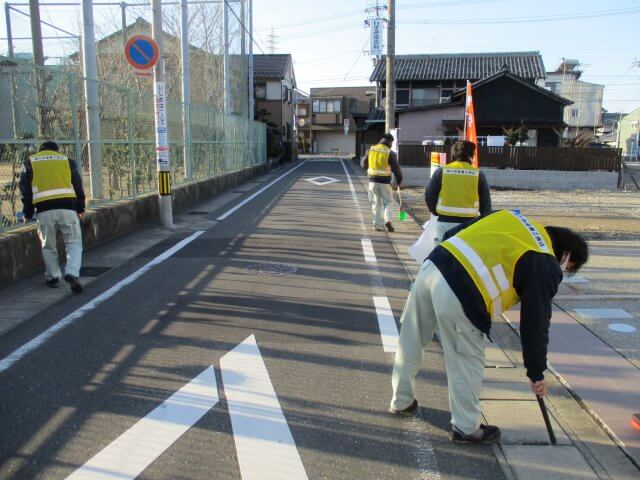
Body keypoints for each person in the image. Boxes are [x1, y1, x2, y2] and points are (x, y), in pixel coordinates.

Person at [389, 209, 588, 444]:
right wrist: (536, 372)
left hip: (434, 265)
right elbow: (535, 322)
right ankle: (466, 427)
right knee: (466, 360)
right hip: (460, 292)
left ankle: (401, 401)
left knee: (412, 338)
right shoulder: (545, 262)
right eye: (570, 266)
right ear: (565, 255)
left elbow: (454, 232)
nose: (565, 270)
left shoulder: (513, 218)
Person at [20, 141, 86, 293]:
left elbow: (25, 190)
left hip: (44, 210)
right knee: (74, 242)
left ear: (41, 150)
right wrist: (80, 207)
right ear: (57, 150)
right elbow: (77, 184)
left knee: (48, 245)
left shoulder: (30, 161)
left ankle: (53, 277)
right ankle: (72, 272)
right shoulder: (66, 160)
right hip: (67, 208)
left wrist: (27, 212)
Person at [426, 140, 491, 244]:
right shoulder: (478, 174)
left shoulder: (442, 171)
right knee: (464, 257)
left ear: (453, 154)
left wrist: (436, 212)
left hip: (444, 221)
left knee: (442, 255)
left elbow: (429, 196)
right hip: (469, 225)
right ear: (471, 155)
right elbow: (486, 205)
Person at [361, 133, 403, 232]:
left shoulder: (371, 150)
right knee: (388, 202)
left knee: (375, 203)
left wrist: (370, 171)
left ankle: (377, 225)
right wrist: (399, 181)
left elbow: (363, 164)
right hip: (385, 182)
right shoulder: (390, 153)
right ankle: (387, 220)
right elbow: (397, 170)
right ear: (389, 141)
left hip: (372, 181)